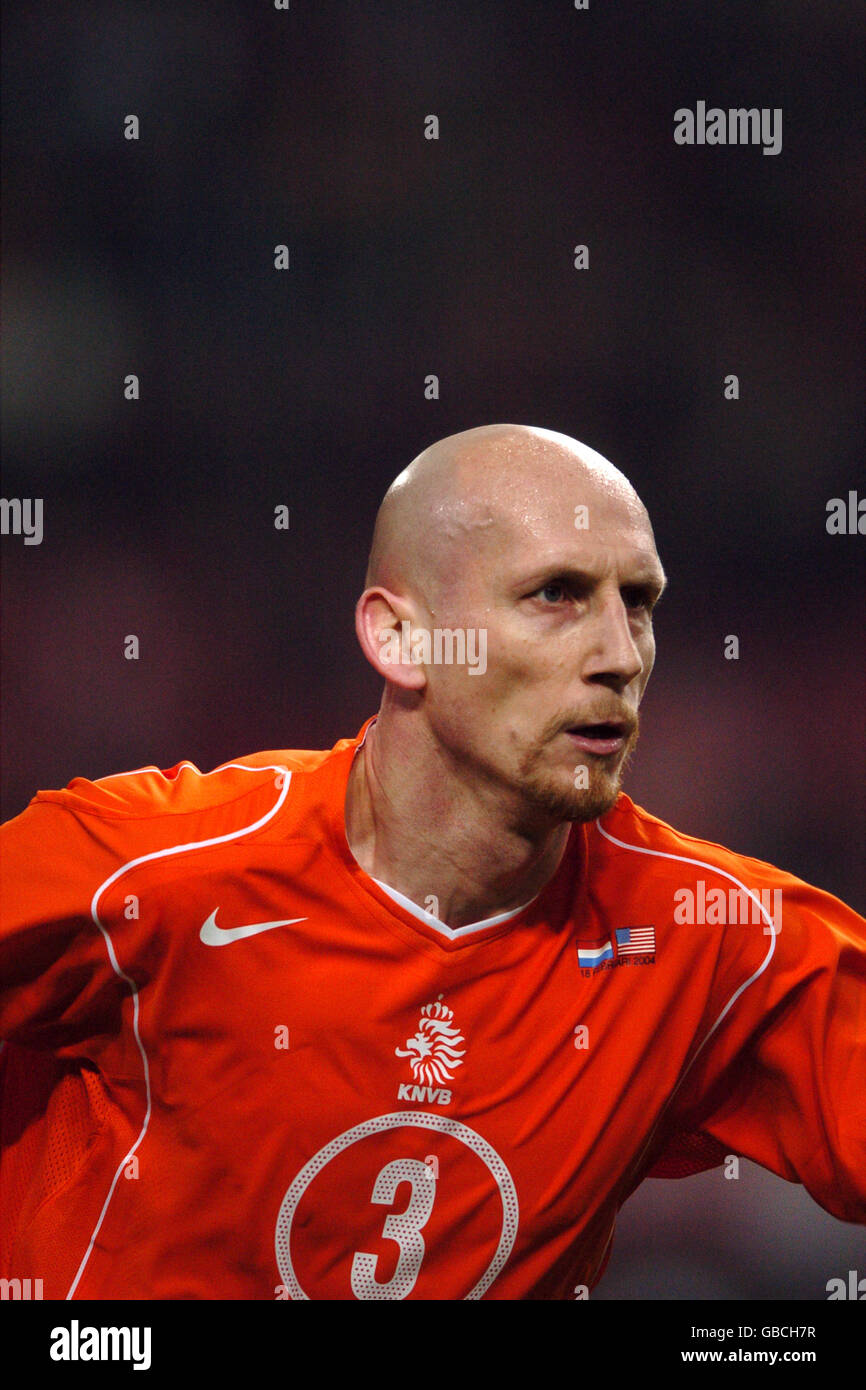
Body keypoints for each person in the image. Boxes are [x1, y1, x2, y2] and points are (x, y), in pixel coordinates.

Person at [1, 423, 863, 1301]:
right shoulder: (145, 866)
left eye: (636, 602)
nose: (617, 656)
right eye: (556, 595)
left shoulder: (712, 938)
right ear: (400, 638)